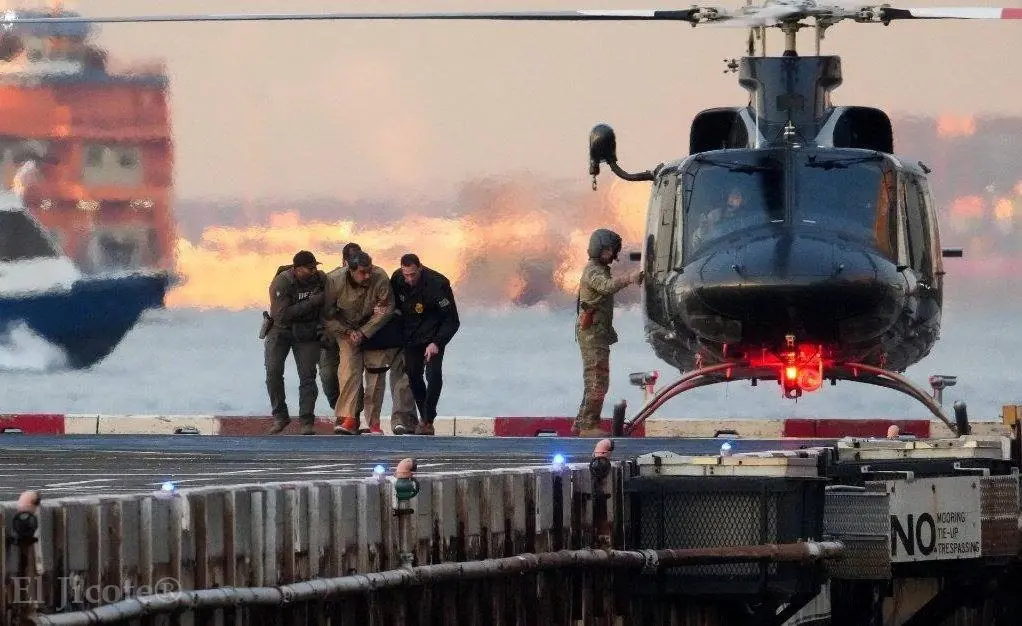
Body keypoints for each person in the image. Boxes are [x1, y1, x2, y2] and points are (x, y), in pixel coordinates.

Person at [573, 229, 643, 437]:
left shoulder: (597, 269)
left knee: (592, 380)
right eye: (608, 250)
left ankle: (582, 422)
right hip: (593, 333)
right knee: (598, 381)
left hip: (596, 331)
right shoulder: (594, 271)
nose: (611, 254)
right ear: (598, 249)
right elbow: (607, 287)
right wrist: (630, 278)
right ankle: (588, 426)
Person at [322, 250, 396, 435]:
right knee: (348, 372)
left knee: (375, 375)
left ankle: (374, 422)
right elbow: (326, 316)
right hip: (346, 331)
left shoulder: (380, 277)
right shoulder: (334, 281)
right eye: (363, 272)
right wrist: (348, 332)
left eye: (369, 270)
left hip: (374, 330)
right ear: (351, 269)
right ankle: (349, 418)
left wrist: (364, 332)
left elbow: (387, 308)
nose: (367, 275)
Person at [391, 253, 460, 436]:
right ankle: (425, 416)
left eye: (413, 274)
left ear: (420, 268)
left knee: (433, 375)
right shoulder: (397, 278)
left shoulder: (438, 284)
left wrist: (437, 342)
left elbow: (452, 320)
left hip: (433, 337)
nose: (409, 279)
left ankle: (428, 419)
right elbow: (394, 306)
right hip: (411, 337)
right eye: (406, 275)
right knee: (413, 375)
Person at [265, 250, 328, 435]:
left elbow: (328, 302)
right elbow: (282, 315)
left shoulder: (320, 279)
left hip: (306, 331)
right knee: (273, 373)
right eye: (309, 268)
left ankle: (307, 420)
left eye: (315, 267)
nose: (313, 271)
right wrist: (312, 302)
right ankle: (280, 416)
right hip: (280, 331)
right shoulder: (282, 282)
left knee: (308, 376)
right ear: (296, 269)